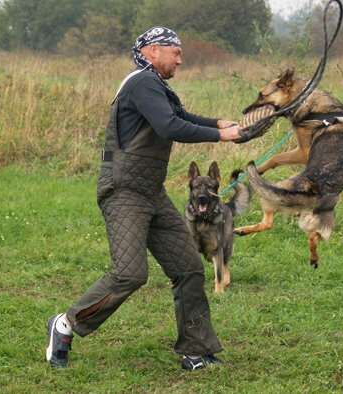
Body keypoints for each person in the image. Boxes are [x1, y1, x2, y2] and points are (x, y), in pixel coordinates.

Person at [46, 26, 242, 371]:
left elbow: (180, 118)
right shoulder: (142, 82)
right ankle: (65, 324)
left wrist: (218, 123)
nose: (181, 59)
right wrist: (220, 135)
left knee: (189, 268)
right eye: (175, 52)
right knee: (130, 274)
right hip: (123, 192)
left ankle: (196, 351)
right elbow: (169, 127)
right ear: (153, 51)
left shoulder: (157, 86)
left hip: (151, 192)